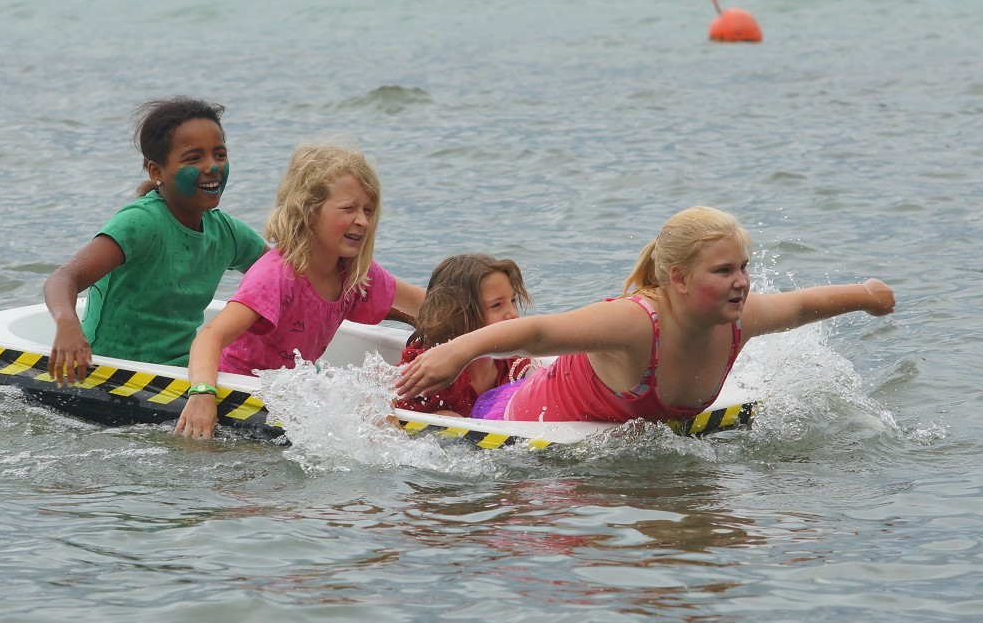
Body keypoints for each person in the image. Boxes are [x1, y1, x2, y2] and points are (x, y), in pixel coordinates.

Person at [396, 206, 896, 424]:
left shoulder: (739, 318)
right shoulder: (637, 323)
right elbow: (541, 331)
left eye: (742, 267)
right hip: (514, 412)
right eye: (723, 270)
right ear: (676, 278)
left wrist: (867, 294)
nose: (741, 281)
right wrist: (457, 351)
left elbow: (803, 305)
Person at [175, 143, 425, 439]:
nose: (363, 221)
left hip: (293, 392)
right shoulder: (276, 276)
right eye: (349, 209)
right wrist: (202, 394)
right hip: (238, 396)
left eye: (369, 211)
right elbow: (210, 336)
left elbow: (424, 305)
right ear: (308, 211)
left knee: (377, 383)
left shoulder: (354, 272)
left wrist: (478, 336)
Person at [43, 97, 266, 384]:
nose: (212, 167)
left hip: (178, 373)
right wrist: (66, 324)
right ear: (156, 171)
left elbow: (280, 278)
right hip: (109, 373)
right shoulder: (142, 222)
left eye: (219, 155)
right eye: (194, 158)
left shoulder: (227, 232)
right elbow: (63, 279)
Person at [397, 253, 534, 417]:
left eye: (512, 301)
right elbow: (381, 399)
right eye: (496, 305)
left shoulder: (514, 364)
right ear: (457, 316)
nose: (512, 313)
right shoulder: (431, 367)